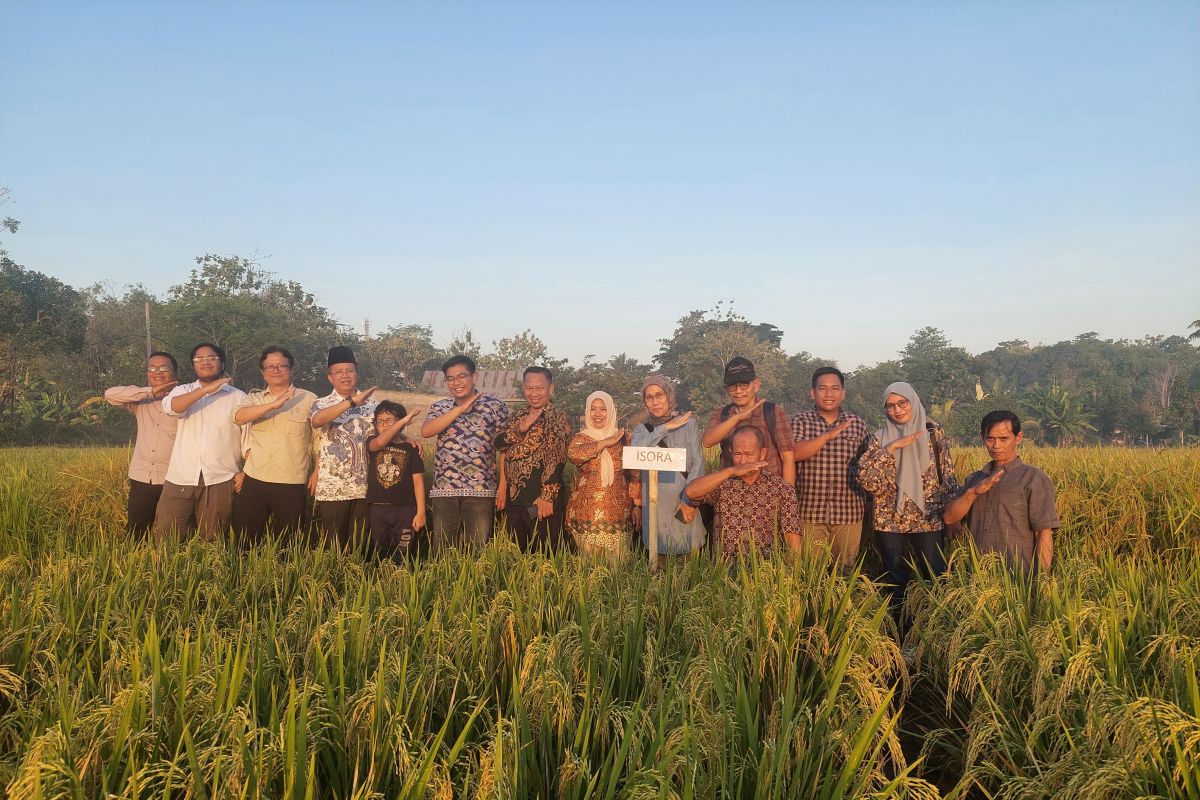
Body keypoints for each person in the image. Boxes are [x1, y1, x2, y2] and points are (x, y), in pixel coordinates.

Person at [856, 382, 957, 632]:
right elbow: (868, 481)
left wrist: (952, 518)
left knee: (934, 576)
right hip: (890, 518)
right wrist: (892, 448)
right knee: (896, 578)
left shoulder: (934, 434)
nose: (897, 410)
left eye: (902, 403)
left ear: (913, 401)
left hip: (929, 516)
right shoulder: (878, 439)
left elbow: (948, 476)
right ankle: (899, 632)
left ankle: (935, 630)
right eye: (890, 406)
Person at [943, 410, 1059, 573]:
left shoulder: (1033, 479)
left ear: (1018, 438)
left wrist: (1041, 580)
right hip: (978, 577)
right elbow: (949, 518)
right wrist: (973, 493)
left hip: (1017, 576)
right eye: (990, 438)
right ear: (982, 437)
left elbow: (1043, 534)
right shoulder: (974, 480)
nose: (996, 445)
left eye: (1004, 439)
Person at [154, 343, 247, 540]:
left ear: (221, 363)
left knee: (214, 539)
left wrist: (246, 472)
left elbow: (249, 439)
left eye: (211, 358)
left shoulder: (238, 397)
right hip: (180, 476)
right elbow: (172, 407)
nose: (205, 362)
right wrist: (205, 390)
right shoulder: (183, 391)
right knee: (166, 535)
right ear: (193, 365)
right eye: (199, 359)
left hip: (221, 478)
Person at [420, 355, 511, 549]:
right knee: (443, 550)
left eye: (461, 376)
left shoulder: (494, 406)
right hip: (444, 489)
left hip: (481, 489)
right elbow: (426, 431)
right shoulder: (441, 407)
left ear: (474, 377)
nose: (456, 383)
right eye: (451, 378)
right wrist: (459, 410)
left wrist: (503, 485)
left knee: (478, 549)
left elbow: (505, 448)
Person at [230, 346, 317, 546]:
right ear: (263, 372)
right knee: (245, 539)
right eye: (270, 367)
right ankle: (242, 574)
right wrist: (273, 405)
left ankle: (285, 576)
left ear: (291, 369)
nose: (276, 370)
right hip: (255, 478)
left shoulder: (309, 399)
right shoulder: (254, 398)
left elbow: (319, 439)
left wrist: (317, 470)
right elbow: (238, 417)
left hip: (291, 480)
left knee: (290, 541)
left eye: (281, 366)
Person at [791, 367, 871, 568]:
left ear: (843, 393)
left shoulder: (857, 424)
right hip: (810, 512)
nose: (829, 394)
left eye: (835, 388)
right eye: (823, 388)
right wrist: (827, 435)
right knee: (811, 572)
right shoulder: (800, 421)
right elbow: (795, 453)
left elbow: (867, 468)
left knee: (845, 571)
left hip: (849, 512)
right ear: (812, 393)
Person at [685, 425, 802, 561]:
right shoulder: (723, 482)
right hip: (724, 570)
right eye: (737, 454)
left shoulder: (781, 488)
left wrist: (793, 572)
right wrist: (730, 471)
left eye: (749, 454)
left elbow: (792, 535)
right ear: (731, 452)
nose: (743, 461)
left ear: (762, 453)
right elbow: (690, 492)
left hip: (764, 571)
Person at [631, 374, 706, 567]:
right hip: (655, 508)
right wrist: (664, 428)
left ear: (669, 395)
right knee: (658, 565)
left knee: (690, 569)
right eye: (649, 397)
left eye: (660, 395)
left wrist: (690, 500)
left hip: (683, 503)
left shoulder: (688, 423)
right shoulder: (641, 430)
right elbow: (636, 453)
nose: (655, 402)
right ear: (645, 401)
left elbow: (697, 461)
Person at [104, 351, 180, 535]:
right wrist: (150, 392)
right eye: (152, 368)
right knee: (136, 530)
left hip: (174, 477)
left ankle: (165, 561)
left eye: (163, 368)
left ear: (175, 374)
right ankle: (135, 561)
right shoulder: (140, 399)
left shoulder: (184, 400)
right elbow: (110, 394)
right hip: (142, 476)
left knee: (172, 532)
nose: (157, 372)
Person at [496, 366, 572, 551]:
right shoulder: (517, 416)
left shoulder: (558, 418)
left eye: (540, 388)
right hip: (515, 500)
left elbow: (557, 458)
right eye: (529, 388)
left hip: (542, 501)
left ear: (551, 389)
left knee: (545, 555)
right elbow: (499, 444)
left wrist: (546, 496)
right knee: (515, 554)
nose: (534, 393)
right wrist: (503, 488)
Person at [310, 346, 378, 546]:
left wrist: (407, 438)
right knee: (332, 544)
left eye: (349, 370)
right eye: (338, 372)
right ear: (330, 377)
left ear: (356, 373)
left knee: (360, 544)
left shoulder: (374, 405)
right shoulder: (321, 403)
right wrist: (351, 403)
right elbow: (317, 421)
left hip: (365, 486)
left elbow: (387, 430)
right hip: (333, 487)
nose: (345, 376)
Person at [566, 390, 638, 561]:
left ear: (611, 411)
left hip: (619, 513)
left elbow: (634, 473)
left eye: (603, 409)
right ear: (587, 412)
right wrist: (605, 442)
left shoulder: (624, 438)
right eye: (593, 409)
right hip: (586, 513)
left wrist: (638, 506)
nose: (598, 414)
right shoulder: (581, 438)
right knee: (589, 570)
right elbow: (574, 455)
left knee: (617, 570)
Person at [702, 356, 795, 484]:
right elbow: (707, 441)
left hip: (770, 492)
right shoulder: (722, 414)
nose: (738, 391)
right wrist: (736, 418)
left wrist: (787, 497)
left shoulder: (773, 412)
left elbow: (787, 458)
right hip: (732, 492)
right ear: (726, 389)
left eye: (744, 385)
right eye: (732, 386)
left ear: (756, 385)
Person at [365, 400, 425, 560]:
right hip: (378, 508)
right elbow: (378, 442)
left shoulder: (411, 449)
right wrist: (400, 423)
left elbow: (418, 481)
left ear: (400, 423)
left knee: (402, 552)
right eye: (380, 421)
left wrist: (420, 512)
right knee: (379, 551)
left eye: (390, 421)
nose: (384, 425)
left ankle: (399, 579)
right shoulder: (372, 443)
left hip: (405, 509)